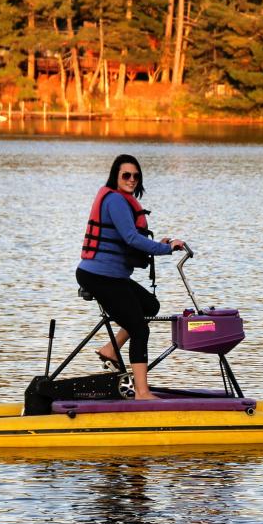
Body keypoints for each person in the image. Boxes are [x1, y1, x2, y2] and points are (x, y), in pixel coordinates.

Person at [77, 154, 184, 400]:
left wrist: (159, 244)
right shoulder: (115, 200)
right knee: (140, 330)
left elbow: (132, 239)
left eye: (136, 176)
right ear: (116, 177)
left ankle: (110, 350)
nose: (132, 180)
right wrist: (167, 249)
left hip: (111, 276)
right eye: (126, 175)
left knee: (150, 305)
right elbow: (131, 239)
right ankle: (142, 392)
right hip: (99, 276)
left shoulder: (121, 201)